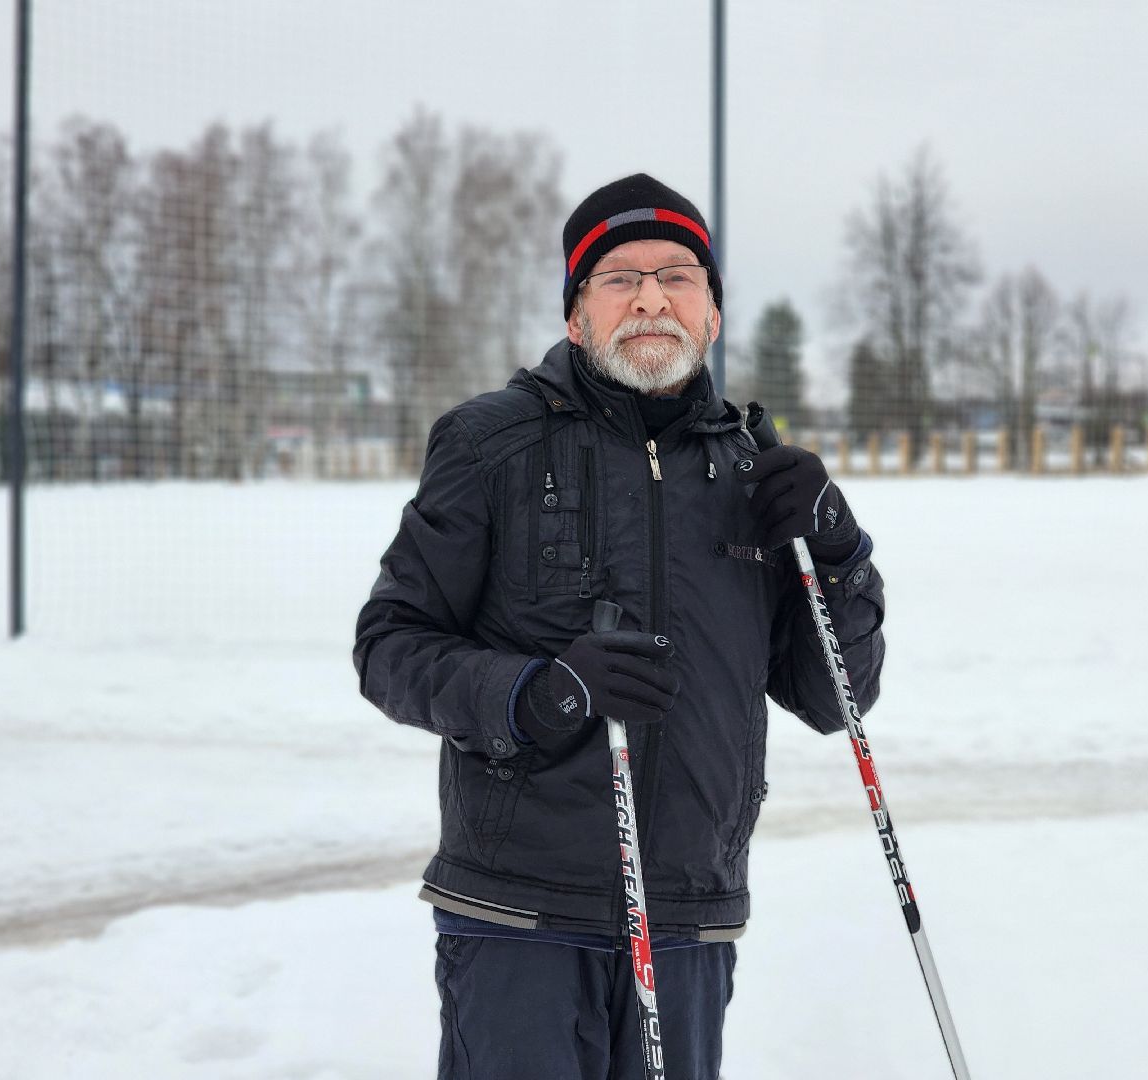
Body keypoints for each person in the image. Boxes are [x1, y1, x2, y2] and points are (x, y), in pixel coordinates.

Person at [353, 173, 886, 1079]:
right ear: (576, 317)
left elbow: (837, 697)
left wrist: (837, 548)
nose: (650, 298)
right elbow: (390, 648)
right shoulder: (491, 446)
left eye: (678, 275)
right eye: (617, 277)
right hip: (520, 910)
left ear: (712, 313)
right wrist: (539, 692)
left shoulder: (757, 473)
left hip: (687, 909)